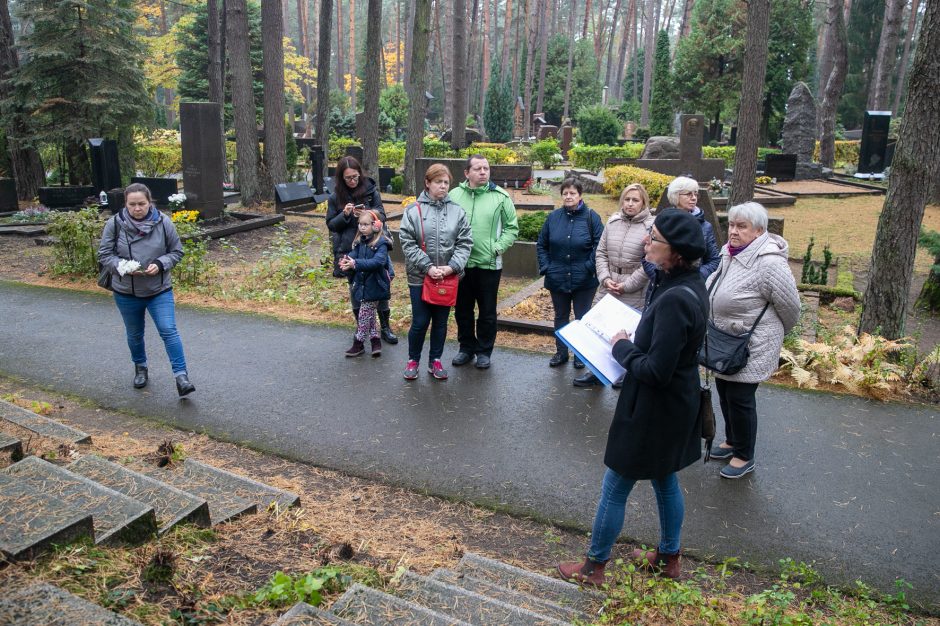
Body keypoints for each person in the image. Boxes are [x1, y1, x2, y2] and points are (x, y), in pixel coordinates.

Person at [557, 208, 708, 585]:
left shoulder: (676, 298)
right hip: (676, 403)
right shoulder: (687, 283)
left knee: (615, 486)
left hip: (654, 409)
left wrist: (622, 346)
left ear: (674, 252)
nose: (646, 241)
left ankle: (593, 567)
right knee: (664, 479)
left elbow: (656, 371)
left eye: (654, 238)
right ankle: (668, 558)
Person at [706, 202, 800, 479]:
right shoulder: (729, 253)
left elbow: (791, 308)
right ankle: (733, 440)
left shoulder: (770, 263)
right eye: (732, 225)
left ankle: (744, 455)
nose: (733, 231)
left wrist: (770, 336)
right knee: (724, 391)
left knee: (741, 398)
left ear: (759, 231)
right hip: (725, 341)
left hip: (752, 344)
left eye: (741, 226)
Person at [97, 183, 195, 397]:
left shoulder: (163, 222)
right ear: (125, 204)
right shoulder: (114, 224)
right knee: (135, 333)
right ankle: (140, 368)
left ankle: (181, 376)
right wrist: (122, 266)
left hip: (158, 289)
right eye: (132, 204)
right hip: (126, 291)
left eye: (141, 203)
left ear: (149, 202)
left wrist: (160, 263)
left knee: (168, 330)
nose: (137, 208)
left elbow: (177, 251)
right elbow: (104, 255)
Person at [574, 183, 655, 388]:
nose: (630, 204)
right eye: (627, 199)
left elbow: (650, 261)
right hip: (608, 285)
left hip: (633, 289)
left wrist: (627, 286)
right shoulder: (613, 221)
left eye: (635, 200)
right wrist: (604, 278)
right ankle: (597, 372)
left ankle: (625, 373)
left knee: (628, 334)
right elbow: (601, 253)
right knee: (599, 330)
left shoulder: (651, 227)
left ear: (643, 202)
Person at [398, 164, 473, 381]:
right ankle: (413, 360)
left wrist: (451, 268)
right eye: (438, 182)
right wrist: (428, 268)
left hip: (448, 278)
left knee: (441, 323)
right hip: (420, 277)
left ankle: (435, 360)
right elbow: (407, 242)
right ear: (427, 183)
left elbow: (465, 242)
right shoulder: (413, 211)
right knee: (420, 322)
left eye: (446, 182)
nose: (443, 186)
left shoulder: (457, 211)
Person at [448, 155, 519, 370]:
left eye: (486, 168)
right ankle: (466, 348)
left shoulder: (500, 197)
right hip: (460, 265)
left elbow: (511, 228)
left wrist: (496, 248)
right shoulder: (454, 195)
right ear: (466, 173)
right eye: (477, 168)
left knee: (487, 311)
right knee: (463, 310)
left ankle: (484, 351)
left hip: (489, 265)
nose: (483, 172)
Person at [326, 156, 398, 345]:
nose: (353, 181)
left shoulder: (369, 190)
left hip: (373, 246)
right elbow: (331, 225)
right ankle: (362, 327)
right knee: (356, 289)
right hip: (350, 249)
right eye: (348, 178)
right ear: (342, 178)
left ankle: (385, 327)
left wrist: (368, 214)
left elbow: (382, 213)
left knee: (380, 286)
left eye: (355, 176)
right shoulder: (335, 197)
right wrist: (345, 214)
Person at [536, 178, 604, 374]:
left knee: (582, 318)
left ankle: (580, 355)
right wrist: (547, 267)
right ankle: (561, 352)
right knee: (560, 316)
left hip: (585, 279)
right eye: (565, 193)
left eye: (572, 193)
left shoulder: (592, 217)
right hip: (557, 276)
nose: (568, 196)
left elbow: (600, 245)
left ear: (580, 195)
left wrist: (589, 267)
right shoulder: (553, 217)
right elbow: (542, 244)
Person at [338, 210, 392, 358]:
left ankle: (359, 343)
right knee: (370, 316)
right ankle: (375, 342)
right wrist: (346, 260)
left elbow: (377, 262)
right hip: (364, 285)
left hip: (376, 285)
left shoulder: (382, 244)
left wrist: (355, 264)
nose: (362, 227)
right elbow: (354, 255)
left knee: (363, 316)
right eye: (360, 224)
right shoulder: (361, 242)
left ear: (376, 225)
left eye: (366, 224)